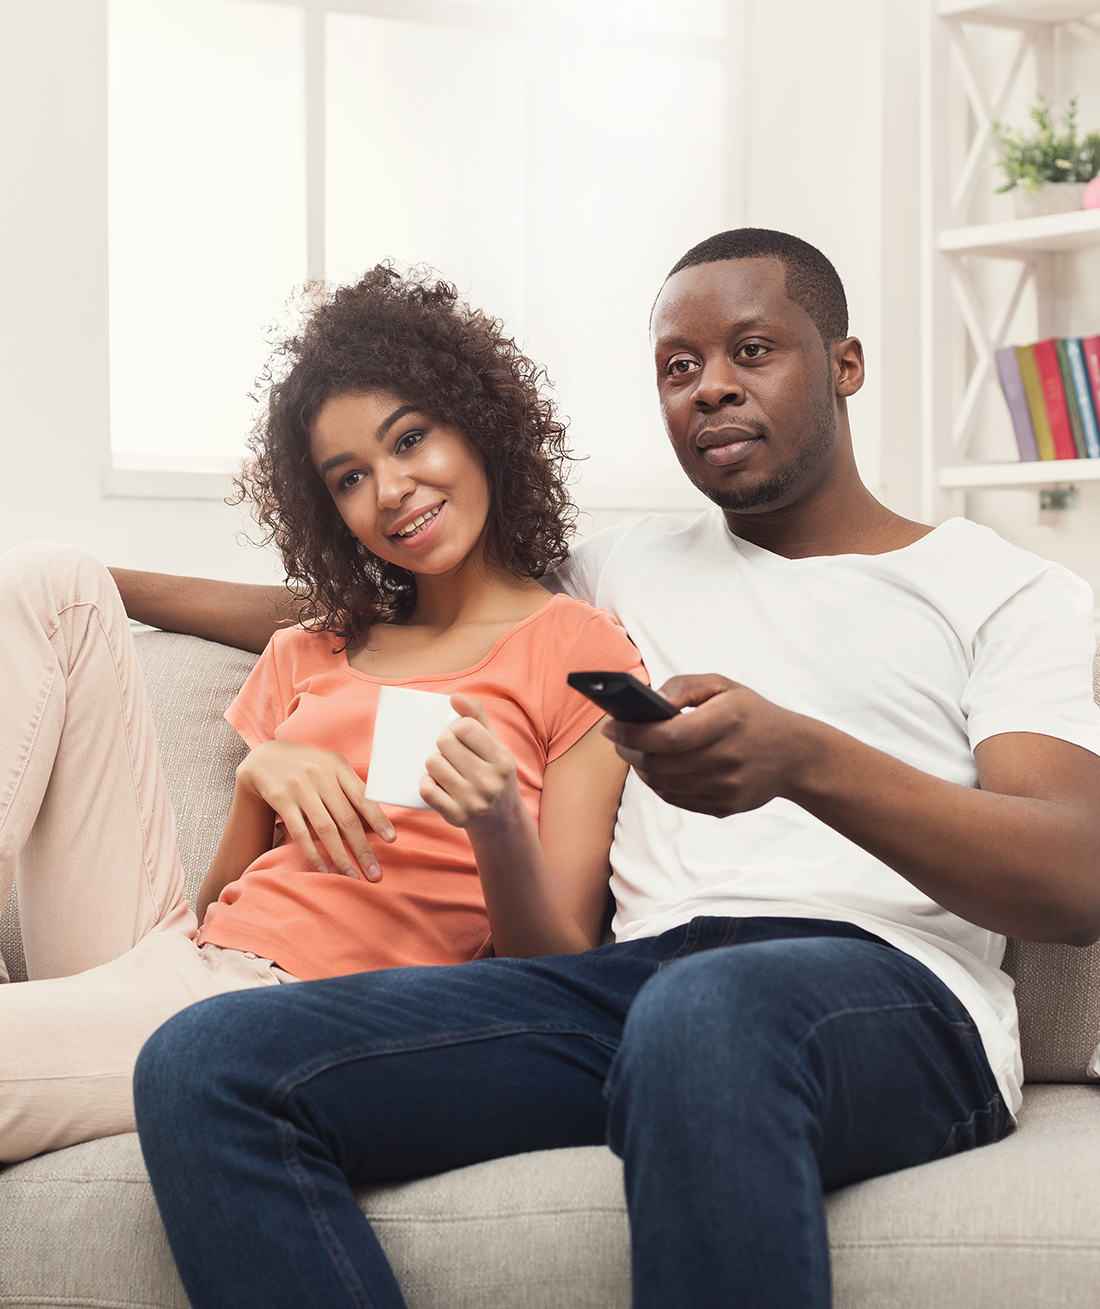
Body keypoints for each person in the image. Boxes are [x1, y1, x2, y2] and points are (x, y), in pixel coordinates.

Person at [132, 228, 1100, 1309]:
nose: (710, 389)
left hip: (890, 993)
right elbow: (378, 615)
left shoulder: (1001, 586)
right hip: (626, 994)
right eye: (677, 369)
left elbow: (1071, 881)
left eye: (751, 351)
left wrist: (804, 760)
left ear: (843, 365)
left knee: (708, 1012)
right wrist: (104, 583)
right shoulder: (619, 568)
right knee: (206, 1063)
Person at [0, 265, 640, 1164]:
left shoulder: (577, 648)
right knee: (48, 578)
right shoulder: (316, 646)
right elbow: (219, 906)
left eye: (411, 439)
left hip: (300, 1014)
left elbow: (562, 972)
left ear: (481, 425)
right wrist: (255, 786)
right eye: (349, 478)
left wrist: (498, 824)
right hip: (187, 962)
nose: (390, 491)